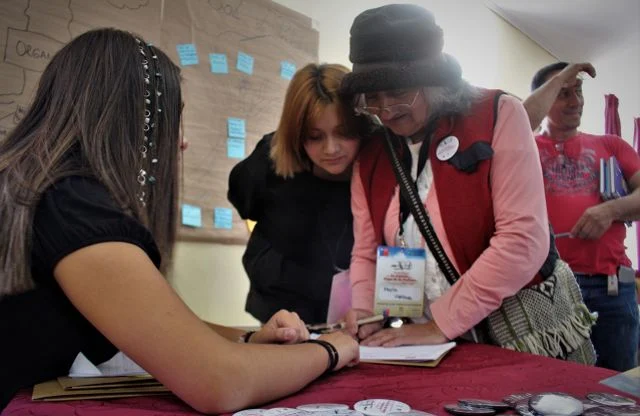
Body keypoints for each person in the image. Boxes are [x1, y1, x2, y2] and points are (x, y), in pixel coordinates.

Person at [0, 28, 359, 412]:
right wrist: (330, 348)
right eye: (173, 121)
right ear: (132, 119)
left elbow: (161, 323)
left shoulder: (41, 190)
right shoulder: (72, 207)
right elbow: (220, 382)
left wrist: (248, 338)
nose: (181, 141)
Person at [339, 4, 552, 348]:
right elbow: (365, 251)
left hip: (511, 334)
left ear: (434, 79)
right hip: (420, 343)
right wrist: (365, 312)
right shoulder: (371, 157)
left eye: (398, 91)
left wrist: (440, 324)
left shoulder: (497, 114)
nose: (386, 111)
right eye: (372, 98)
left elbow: (523, 239)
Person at [228, 63, 368, 324]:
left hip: (357, 312)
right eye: (314, 137)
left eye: (344, 133)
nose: (331, 149)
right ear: (295, 135)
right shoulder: (269, 161)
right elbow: (243, 199)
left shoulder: (379, 165)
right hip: (282, 304)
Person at [525, 61, 640, 371]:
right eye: (563, 93)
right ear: (545, 97)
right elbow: (516, 120)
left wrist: (611, 209)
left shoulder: (611, 145)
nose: (575, 101)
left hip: (611, 288)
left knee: (618, 389)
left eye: (578, 91)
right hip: (544, 288)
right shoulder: (522, 147)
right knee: (548, 384)